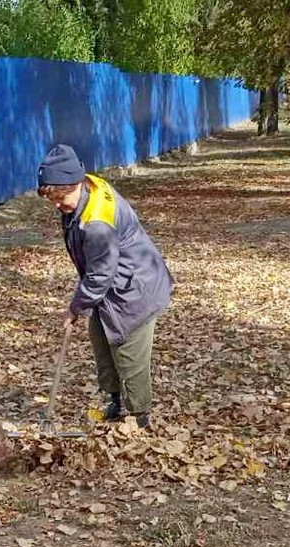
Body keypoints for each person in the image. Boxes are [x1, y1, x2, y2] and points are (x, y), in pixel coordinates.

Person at [37, 144, 173, 429]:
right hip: (113, 287)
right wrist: (83, 303)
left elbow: (100, 274)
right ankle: (114, 401)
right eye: (54, 201)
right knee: (100, 337)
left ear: (76, 183)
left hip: (135, 288)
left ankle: (139, 417)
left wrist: (75, 306)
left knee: (127, 348)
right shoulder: (88, 188)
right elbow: (97, 271)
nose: (58, 206)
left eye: (62, 198)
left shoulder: (97, 221)